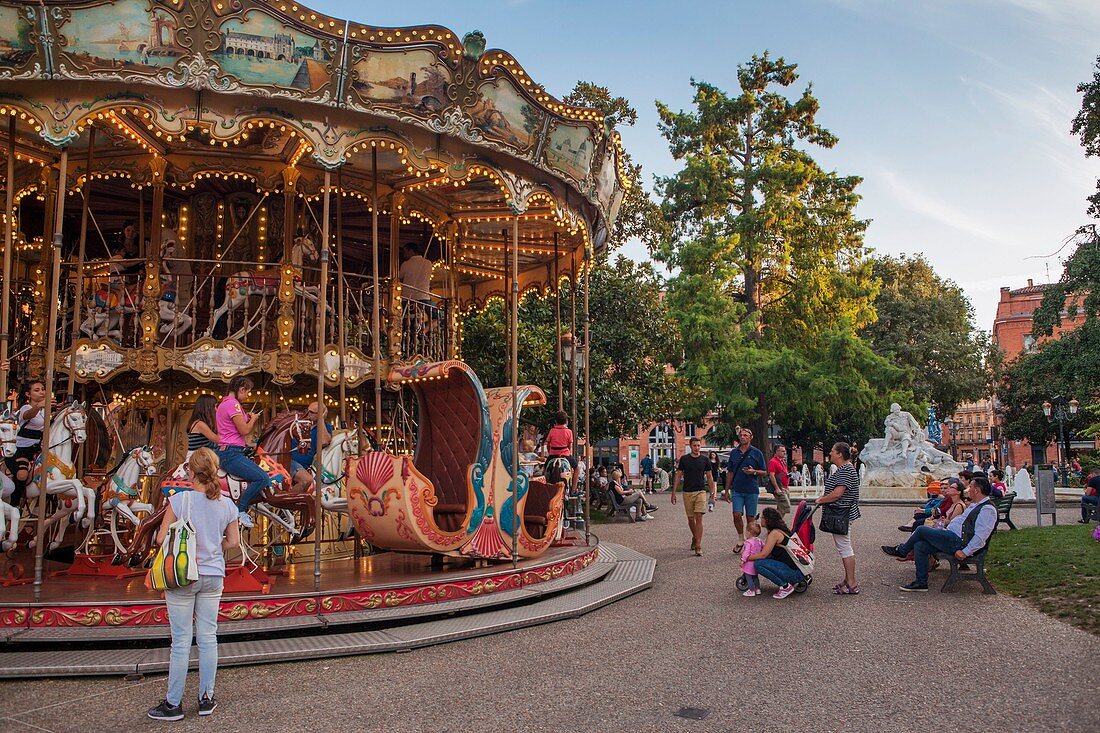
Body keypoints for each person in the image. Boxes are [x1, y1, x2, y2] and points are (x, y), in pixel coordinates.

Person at [148, 448, 240, 721]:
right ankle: (206, 698)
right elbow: (233, 543)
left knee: (181, 641)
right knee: (208, 637)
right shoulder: (227, 504)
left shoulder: (180, 501)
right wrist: (215, 546)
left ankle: (173, 703)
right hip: (213, 575)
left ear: (191, 472)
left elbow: (161, 538)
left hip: (184, 574)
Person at [882, 473, 998, 591]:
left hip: (959, 542)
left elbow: (981, 535)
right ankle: (921, 583)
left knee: (921, 530)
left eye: (971, 487)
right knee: (920, 546)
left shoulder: (987, 509)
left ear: (977, 490)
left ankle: (902, 550)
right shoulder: (976, 505)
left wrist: (965, 552)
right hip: (953, 537)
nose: (968, 490)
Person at [215, 375, 272, 529]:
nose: (247, 396)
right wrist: (253, 419)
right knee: (262, 478)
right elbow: (244, 430)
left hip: (229, 451)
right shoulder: (233, 405)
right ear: (241, 389)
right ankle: (240, 510)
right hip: (231, 453)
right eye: (247, 392)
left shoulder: (223, 404)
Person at [817, 441, 861, 595]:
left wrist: (821, 500)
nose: (830, 454)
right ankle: (848, 579)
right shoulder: (846, 469)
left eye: (832, 451)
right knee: (843, 546)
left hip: (842, 514)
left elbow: (838, 493)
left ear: (840, 454)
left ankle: (851, 582)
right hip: (842, 513)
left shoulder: (845, 470)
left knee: (844, 547)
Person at [745, 507, 805, 599]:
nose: (760, 519)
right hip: (798, 571)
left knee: (758, 564)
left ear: (767, 520)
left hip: (794, 574)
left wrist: (746, 557)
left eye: (762, 517)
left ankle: (785, 586)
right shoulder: (780, 530)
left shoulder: (774, 534)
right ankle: (789, 582)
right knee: (764, 560)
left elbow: (763, 554)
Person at [4, 380, 46, 506]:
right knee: (22, 474)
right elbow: (28, 416)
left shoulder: (46, 411)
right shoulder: (25, 408)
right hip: (21, 449)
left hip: (38, 449)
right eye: (37, 390)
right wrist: (38, 406)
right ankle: (15, 503)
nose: (42, 392)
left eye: (43, 389)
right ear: (28, 394)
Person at [672, 437, 715, 556]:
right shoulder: (684, 459)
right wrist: (674, 493)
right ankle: (695, 537)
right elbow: (679, 475)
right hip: (687, 492)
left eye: (698, 446)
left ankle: (698, 545)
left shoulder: (705, 460)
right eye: (694, 445)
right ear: (690, 446)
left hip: (701, 491)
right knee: (691, 519)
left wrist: (712, 494)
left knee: (699, 517)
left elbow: (710, 477)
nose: (697, 448)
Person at [725, 428, 766, 553]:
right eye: (741, 435)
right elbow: (730, 472)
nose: (742, 437)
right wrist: (726, 490)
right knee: (736, 514)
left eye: (745, 435)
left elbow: (764, 471)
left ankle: (751, 543)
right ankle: (740, 538)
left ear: (750, 437)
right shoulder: (734, 453)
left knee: (750, 518)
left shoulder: (757, 453)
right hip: (737, 489)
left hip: (751, 489)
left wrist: (753, 471)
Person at [290, 402, 331, 493]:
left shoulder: (326, 427)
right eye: (307, 411)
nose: (308, 414)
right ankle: (285, 504)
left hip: (308, 464)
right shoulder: (299, 423)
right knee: (306, 480)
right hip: (291, 460)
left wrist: (321, 420)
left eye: (312, 412)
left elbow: (324, 442)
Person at [186, 395, 219, 459]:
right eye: (214, 406)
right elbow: (218, 440)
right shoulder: (200, 424)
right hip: (196, 459)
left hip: (201, 457)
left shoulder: (200, 423)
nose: (216, 409)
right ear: (208, 407)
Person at [739, 519, 764, 597]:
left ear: (749, 533)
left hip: (749, 563)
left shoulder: (748, 542)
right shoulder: (759, 541)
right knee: (755, 577)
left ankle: (751, 590)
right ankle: (757, 589)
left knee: (748, 576)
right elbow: (764, 547)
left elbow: (746, 552)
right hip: (756, 561)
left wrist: (743, 560)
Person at [767, 444, 791, 518]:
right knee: (785, 506)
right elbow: (771, 475)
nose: (785, 453)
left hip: (784, 487)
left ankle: (776, 524)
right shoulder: (773, 462)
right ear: (777, 451)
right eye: (782, 451)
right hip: (780, 487)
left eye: (785, 451)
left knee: (780, 508)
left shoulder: (782, 461)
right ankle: (777, 524)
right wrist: (777, 488)